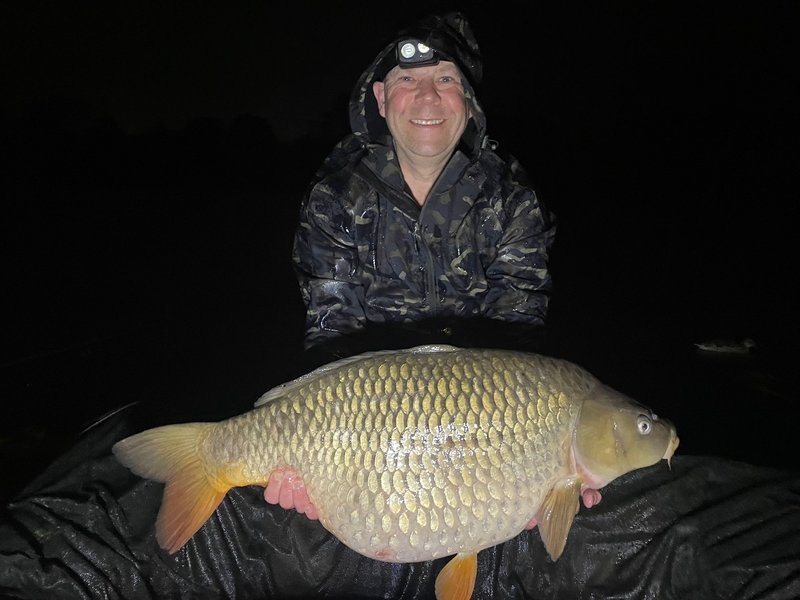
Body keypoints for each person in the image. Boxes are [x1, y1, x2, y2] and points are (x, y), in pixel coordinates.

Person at [292, 12, 556, 363]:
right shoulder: (336, 200)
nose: (427, 96)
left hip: (477, 399)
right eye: (407, 79)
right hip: (373, 402)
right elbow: (332, 335)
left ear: (468, 100)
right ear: (382, 100)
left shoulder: (513, 203)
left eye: (445, 78)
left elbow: (518, 336)